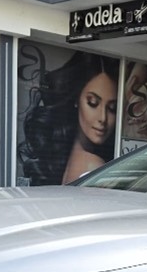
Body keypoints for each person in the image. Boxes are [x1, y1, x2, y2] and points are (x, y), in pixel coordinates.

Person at [18, 48, 120, 186]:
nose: (103, 118)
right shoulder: (94, 166)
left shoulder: (65, 159)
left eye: (112, 108)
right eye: (92, 103)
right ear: (76, 100)